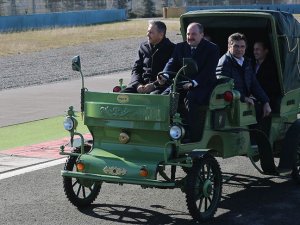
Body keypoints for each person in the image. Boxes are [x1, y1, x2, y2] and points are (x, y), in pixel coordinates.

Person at [159, 22, 219, 142]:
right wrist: (164, 75)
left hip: (203, 85)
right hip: (182, 83)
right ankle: (166, 131)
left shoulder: (212, 48)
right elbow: (171, 62)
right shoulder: (180, 47)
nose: (190, 37)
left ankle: (193, 135)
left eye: (194, 34)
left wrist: (194, 83)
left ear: (202, 35)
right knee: (164, 97)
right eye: (188, 34)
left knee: (191, 98)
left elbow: (208, 71)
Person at [216, 33, 272, 119]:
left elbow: (254, 84)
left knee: (266, 109)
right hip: (230, 103)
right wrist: (244, 98)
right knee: (259, 112)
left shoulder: (246, 62)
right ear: (229, 46)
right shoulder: (224, 63)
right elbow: (223, 88)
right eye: (236, 46)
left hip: (243, 102)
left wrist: (265, 102)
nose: (239, 49)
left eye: (242, 47)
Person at [122, 20, 175, 94]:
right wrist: (137, 85)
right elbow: (136, 69)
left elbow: (172, 72)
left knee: (152, 97)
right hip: (140, 85)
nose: (147, 34)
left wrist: (154, 85)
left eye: (151, 32)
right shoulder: (143, 47)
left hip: (160, 86)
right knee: (122, 95)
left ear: (161, 34)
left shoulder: (172, 49)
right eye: (148, 31)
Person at [253, 41, 281, 113]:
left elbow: (272, 87)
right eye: (254, 49)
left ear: (265, 51)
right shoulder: (251, 64)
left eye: (258, 49)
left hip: (266, 99)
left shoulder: (271, 67)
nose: (255, 52)